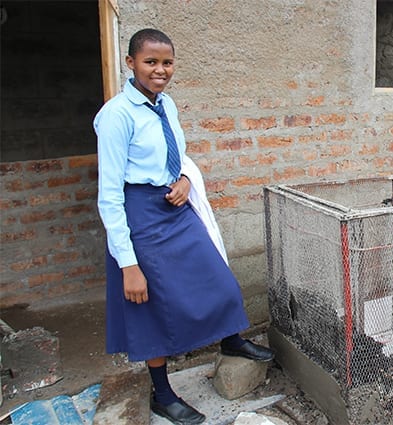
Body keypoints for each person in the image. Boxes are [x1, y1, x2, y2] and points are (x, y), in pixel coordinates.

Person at [94, 28, 274, 425]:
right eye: (151, 62)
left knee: (218, 277)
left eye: (167, 62)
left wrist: (186, 180)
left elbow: (178, 155)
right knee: (151, 309)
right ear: (130, 64)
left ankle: (231, 340)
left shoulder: (166, 105)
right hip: (140, 215)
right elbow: (108, 195)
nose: (160, 70)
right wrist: (128, 264)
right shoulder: (116, 116)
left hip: (174, 205)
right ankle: (162, 393)